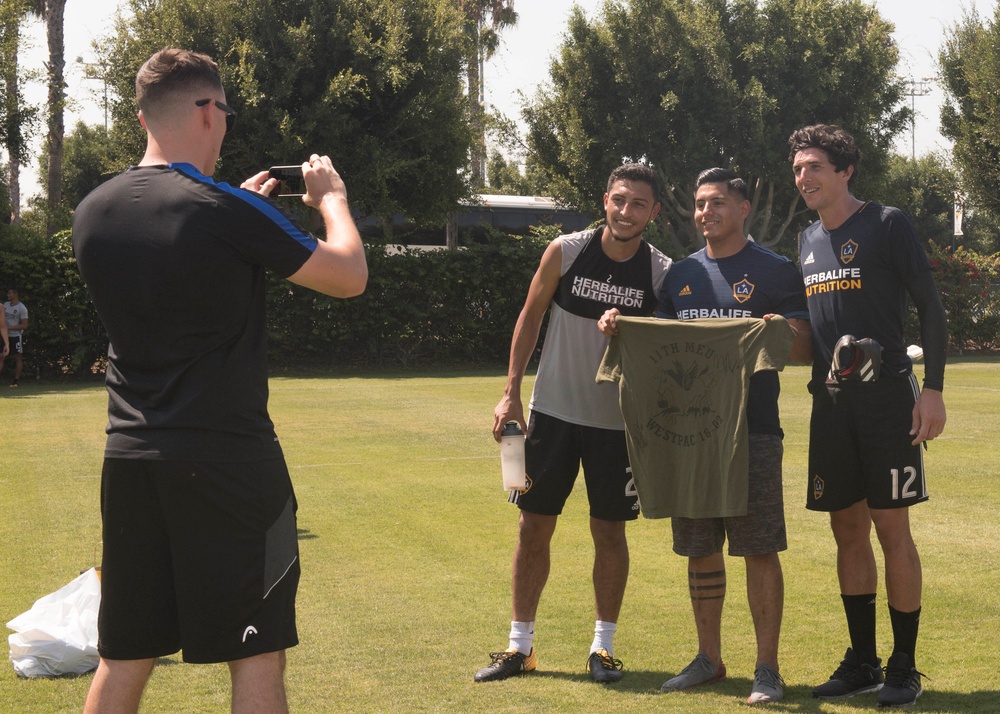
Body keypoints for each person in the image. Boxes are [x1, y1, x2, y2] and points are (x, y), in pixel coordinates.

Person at [72, 48, 368, 714]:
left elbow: (177, 264)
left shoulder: (93, 210)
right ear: (208, 112)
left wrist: (242, 210)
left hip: (131, 459)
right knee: (256, 654)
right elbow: (348, 275)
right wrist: (333, 201)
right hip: (228, 461)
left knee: (123, 655)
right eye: (225, 113)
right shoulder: (225, 209)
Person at [598, 168, 811, 704]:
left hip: (753, 431)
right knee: (699, 548)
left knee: (759, 547)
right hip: (688, 433)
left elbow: (807, 347)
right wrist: (620, 328)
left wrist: (780, 331)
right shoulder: (681, 275)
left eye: (717, 202)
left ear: (743, 208)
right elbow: (662, 343)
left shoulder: (776, 271)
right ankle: (708, 658)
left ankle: (767, 668)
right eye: (698, 204)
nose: (705, 212)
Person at [474, 163, 672, 684]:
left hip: (617, 426)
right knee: (532, 527)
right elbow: (530, 316)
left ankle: (602, 650)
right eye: (619, 200)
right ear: (605, 199)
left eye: (638, 204)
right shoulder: (565, 249)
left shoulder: (660, 272)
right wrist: (510, 393)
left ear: (653, 213)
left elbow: (665, 347)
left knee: (609, 533)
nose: (626, 212)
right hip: (551, 415)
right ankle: (521, 648)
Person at [788, 124, 947, 708]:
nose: (804, 177)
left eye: (815, 167)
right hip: (830, 405)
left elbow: (930, 306)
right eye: (799, 168)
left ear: (845, 170)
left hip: (888, 404)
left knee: (892, 530)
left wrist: (931, 389)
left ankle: (904, 668)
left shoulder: (886, 224)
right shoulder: (805, 240)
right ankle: (862, 662)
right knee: (845, 530)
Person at [2, 288, 28, 386]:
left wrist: (9, 328)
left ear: (15, 294)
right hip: (4, 336)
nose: (8, 295)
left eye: (10, 293)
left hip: (15, 336)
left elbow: (24, 325)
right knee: (1, 356)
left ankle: (15, 381)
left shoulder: (22, 308)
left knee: (17, 357)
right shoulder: (6, 305)